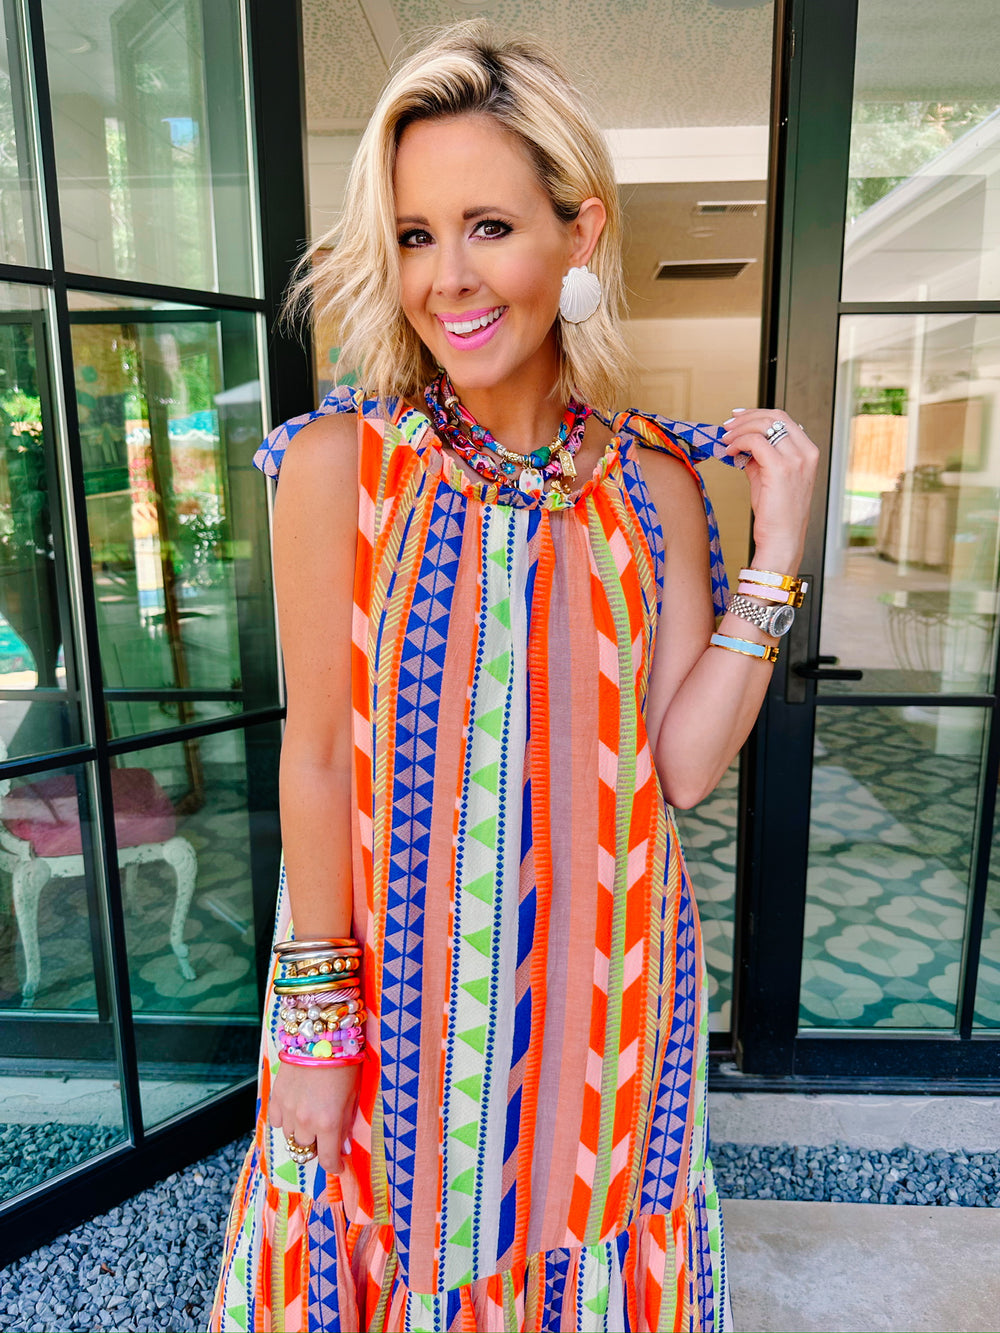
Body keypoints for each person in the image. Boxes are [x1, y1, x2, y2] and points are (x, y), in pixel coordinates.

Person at [211, 20, 817, 1333]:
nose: (448, 278)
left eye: (488, 226)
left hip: (609, 1014)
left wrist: (775, 559)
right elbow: (316, 758)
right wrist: (316, 1030)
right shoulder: (339, 467)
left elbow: (681, 769)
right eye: (414, 235)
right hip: (397, 1016)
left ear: (579, 233)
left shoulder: (654, 485)